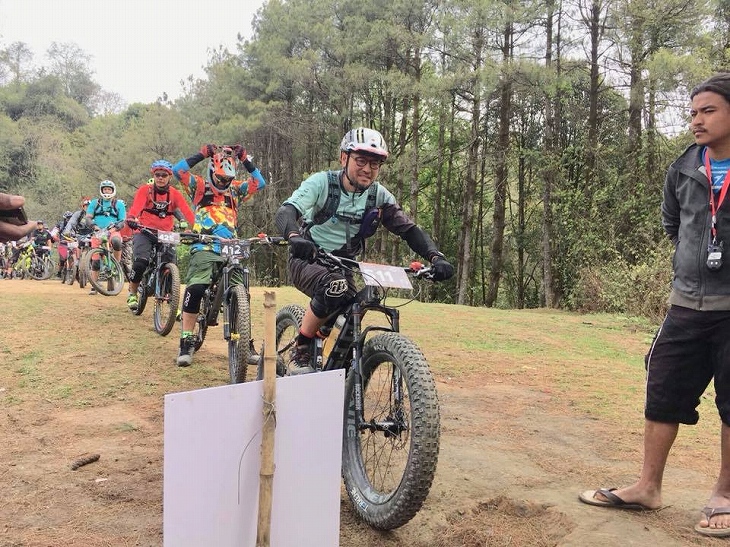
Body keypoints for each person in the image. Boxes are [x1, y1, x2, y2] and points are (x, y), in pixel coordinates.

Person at [579, 73, 730, 538]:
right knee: (662, 389)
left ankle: (725, 494)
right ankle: (647, 486)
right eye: (692, 112)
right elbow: (673, 224)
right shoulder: (684, 166)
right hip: (685, 302)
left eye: (708, 111)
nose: (696, 121)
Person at [273, 127, 454, 374]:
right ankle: (302, 346)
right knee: (335, 287)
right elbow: (287, 211)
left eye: (375, 164)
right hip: (308, 258)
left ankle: (333, 356)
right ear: (343, 158)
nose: (368, 169)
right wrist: (294, 236)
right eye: (361, 161)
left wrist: (435, 257)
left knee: (352, 308)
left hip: (344, 265)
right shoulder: (321, 183)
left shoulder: (378, 196)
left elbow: (409, 230)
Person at [172, 143, 267, 366]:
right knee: (196, 288)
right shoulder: (199, 186)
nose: (224, 183)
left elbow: (259, 183)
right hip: (204, 245)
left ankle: (245, 341)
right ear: (212, 172)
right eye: (220, 178)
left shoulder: (235, 190)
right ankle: (186, 340)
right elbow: (178, 171)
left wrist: (244, 158)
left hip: (230, 247)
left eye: (227, 179)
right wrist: (203, 154)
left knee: (241, 292)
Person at [124, 160, 195, 310]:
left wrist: (197, 227)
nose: (160, 178)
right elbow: (136, 207)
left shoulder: (174, 194)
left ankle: (172, 302)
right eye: (157, 175)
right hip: (144, 231)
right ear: (154, 176)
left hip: (165, 234)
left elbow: (187, 212)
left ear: (170, 176)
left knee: (171, 266)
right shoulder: (145, 190)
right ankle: (132, 292)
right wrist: (131, 218)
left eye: (164, 175)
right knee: (140, 262)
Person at [86, 181, 126, 295]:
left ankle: (116, 265)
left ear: (113, 191)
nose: (107, 191)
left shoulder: (119, 204)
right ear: (101, 190)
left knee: (117, 242)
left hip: (113, 231)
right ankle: (95, 284)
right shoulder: (94, 203)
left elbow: (122, 221)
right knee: (96, 261)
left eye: (109, 189)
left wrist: (114, 228)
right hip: (98, 231)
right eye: (105, 189)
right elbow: (88, 217)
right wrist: (94, 226)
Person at [52, 210, 74, 278]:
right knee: (62, 259)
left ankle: (73, 271)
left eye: (71, 218)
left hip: (72, 242)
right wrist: (56, 238)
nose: (69, 219)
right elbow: (53, 232)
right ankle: (59, 272)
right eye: (68, 218)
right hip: (63, 242)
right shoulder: (60, 224)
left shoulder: (75, 224)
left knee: (74, 257)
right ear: (65, 218)